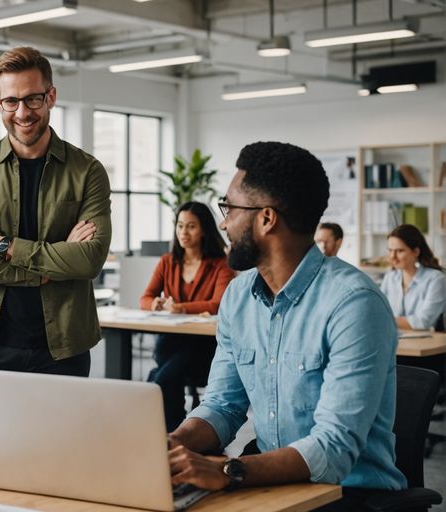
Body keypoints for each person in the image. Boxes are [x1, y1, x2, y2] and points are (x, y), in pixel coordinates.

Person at [168, 142, 406, 510]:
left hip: (352, 493)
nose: (223, 222)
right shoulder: (238, 297)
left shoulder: (354, 304)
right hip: (268, 478)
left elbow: (333, 450)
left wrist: (231, 471)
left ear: (266, 218)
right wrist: (175, 444)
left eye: (228, 207)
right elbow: (222, 405)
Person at [0, 46, 110, 377]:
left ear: (50, 96)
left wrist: (4, 245)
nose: (22, 112)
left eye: (33, 99)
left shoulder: (87, 172)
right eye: (11, 101)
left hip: (63, 348)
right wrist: (47, 269)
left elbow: (89, 259)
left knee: (62, 432)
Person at [139, 201, 234, 432]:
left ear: (204, 230)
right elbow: (145, 298)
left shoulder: (221, 264)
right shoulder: (167, 262)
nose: (184, 232)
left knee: (162, 378)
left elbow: (218, 304)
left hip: (203, 345)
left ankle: (171, 431)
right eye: (180, 226)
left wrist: (181, 308)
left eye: (191, 226)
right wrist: (156, 303)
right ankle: (176, 431)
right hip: (170, 342)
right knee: (168, 368)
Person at [379, 224, 445, 331]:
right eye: (390, 250)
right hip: (394, 339)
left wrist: (386, 319)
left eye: (399, 251)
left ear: (416, 252)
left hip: (427, 343)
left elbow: (424, 322)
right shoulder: (390, 278)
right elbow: (378, 311)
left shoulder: (436, 279)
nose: (392, 257)